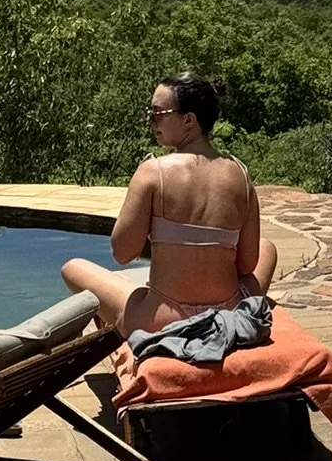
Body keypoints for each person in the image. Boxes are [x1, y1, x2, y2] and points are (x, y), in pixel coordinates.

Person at [60, 71, 278, 339]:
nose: (150, 122)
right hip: (228, 313)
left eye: (157, 114)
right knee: (267, 248)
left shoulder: (153, 172)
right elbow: (246, 266)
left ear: (188, 120)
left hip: (162, 320)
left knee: (72, 268)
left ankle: (115, 326)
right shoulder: (241, 176)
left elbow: (123, 253)